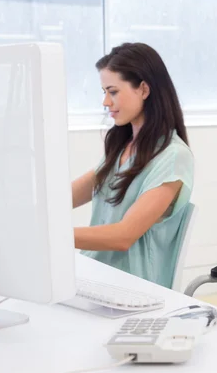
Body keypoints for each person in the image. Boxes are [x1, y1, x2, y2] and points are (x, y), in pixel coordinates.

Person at [72, 43, 194, 289]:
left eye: (113, 91)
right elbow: (65, 196)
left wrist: (49, 236)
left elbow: (123, 236)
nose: (106, 102)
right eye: (104, 92)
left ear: (144, 89)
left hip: (132, 289)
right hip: (94, 275)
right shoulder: (122, 148)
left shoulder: (173, 157)